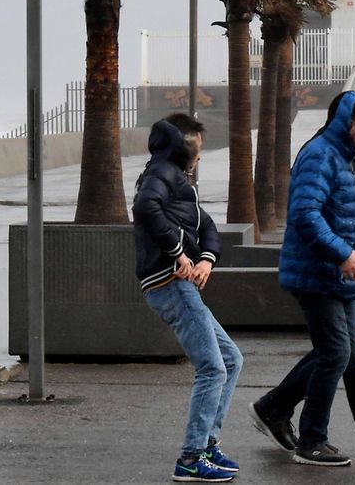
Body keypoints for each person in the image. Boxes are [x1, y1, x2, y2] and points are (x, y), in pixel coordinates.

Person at [250, 94, 355, 461]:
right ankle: (312, 440)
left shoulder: (346, 158)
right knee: (337, 352)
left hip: (340, 276)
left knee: (353, 353)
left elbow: (345, 208)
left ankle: (277, 408)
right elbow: (305, 214)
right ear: (350, 125)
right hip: (319, 274)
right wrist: (341, 253)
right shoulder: (320, 155)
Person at [133, 114, 243, 482]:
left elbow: (207, 226)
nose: (199, 152)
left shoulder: (178, 180)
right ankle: (191, 458)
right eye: (195, 143)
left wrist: (206, 260)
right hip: (169, 282)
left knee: (231, 358)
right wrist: (180, 254)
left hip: (180, 281)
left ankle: (208, 445)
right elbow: (145, 207)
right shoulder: (160, 173)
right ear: (180, 145)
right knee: (213, 367)